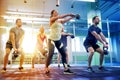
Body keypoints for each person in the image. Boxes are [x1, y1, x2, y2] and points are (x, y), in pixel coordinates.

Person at [45, 10, 76, 74]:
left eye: (57, 12)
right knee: (51, 53)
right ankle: (46, 67)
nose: (56, 13)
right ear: (52, 14)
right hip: (51, 40)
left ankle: (66, 69)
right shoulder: (52, 19)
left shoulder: (60, 21)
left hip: (58, 40)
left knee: (64, 54)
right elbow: (60, 17)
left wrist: (73, 17)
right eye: (55, 12)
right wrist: (69, 13)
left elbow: (66, 20)